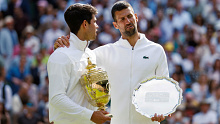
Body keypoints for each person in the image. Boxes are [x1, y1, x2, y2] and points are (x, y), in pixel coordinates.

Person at [54, 1, 170, 123]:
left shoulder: (156, 50)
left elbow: (165, 88)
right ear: (115, 25)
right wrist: (63, 46)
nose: (128, 21)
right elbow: (76, 57)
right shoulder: (105, 52)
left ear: (136, 17)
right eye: (122, 19)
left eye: (129, 16)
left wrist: (162, 109)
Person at [47, 3, 111, 124]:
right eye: (95, 22)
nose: (97, 26)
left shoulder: (91, 54)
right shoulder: (60, 55)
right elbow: (57, 98)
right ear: (85, 24)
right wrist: (91, 115)